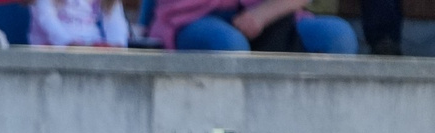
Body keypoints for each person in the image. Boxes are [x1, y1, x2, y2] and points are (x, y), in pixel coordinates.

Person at [150, 0, 355, 50]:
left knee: (339, 36)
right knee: (230, 44)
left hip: (272, 16)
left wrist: (262, 14)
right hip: (192, 17)